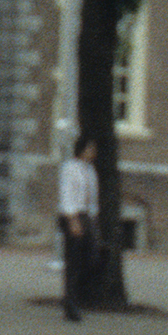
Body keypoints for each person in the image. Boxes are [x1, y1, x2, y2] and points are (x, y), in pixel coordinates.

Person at [57, 137, 98, 324]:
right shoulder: (70, 168)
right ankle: (70, 304)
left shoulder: (90, 170)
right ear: (81, 149)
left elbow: (92, 197)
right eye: (90, 148)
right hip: (73, 216)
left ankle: (79, 297)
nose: (93, 152)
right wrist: (72, 219)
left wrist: (92, 218)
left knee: (90, 257)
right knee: (73, 261)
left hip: (86, 216)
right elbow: (67, 194)